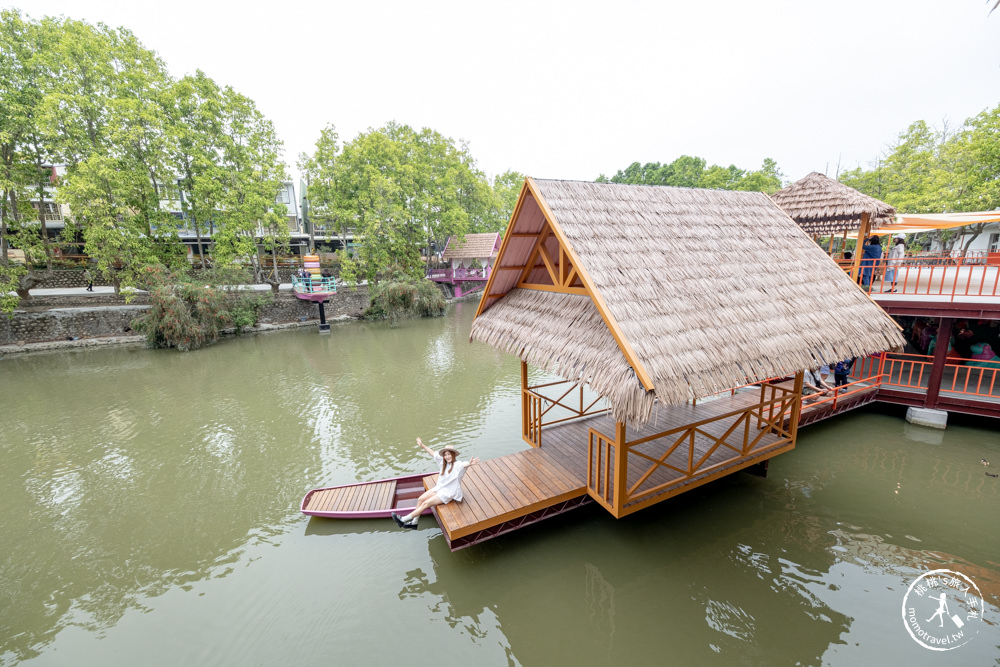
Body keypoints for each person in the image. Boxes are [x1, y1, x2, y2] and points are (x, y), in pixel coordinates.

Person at [392, 437, 480, 529]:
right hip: (439, 488)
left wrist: (469, 464)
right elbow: (432, 453)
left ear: (453, 455)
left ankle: (403, 520)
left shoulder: (458, 465)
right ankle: (414, 522)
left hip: (448, 493)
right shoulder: (443, 462)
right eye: (445, 455)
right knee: (421, 499)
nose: (447, 456)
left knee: (426, 504)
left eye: (449, 454)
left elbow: (464, 464)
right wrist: (422, 446)